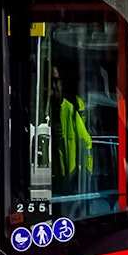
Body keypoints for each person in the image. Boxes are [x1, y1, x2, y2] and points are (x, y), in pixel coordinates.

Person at [50, 64, 92, 195]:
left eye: (56, 81)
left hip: (71, 177)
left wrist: (86, 173)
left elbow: (86, 142)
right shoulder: (44, 111)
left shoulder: (70, 109)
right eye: (50, 82)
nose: (53, 87)